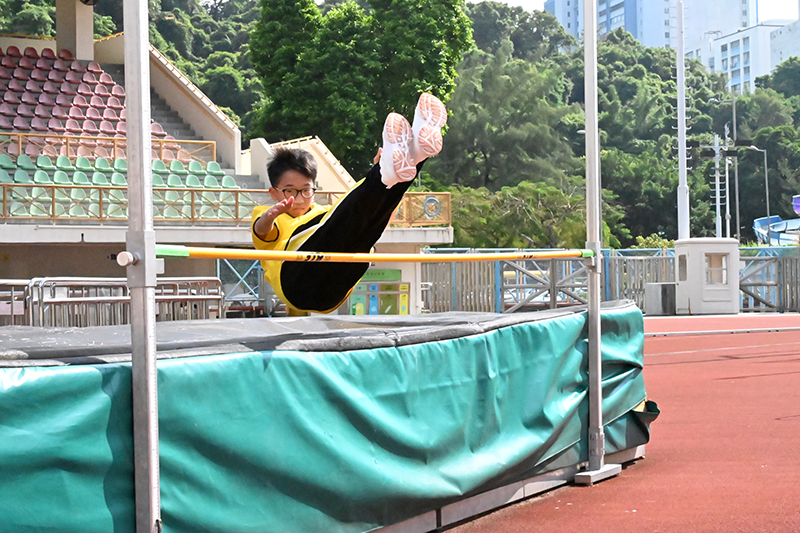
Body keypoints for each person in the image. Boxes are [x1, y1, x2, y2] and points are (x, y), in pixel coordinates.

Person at [251, 92, 447, 314]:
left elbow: (378, 219)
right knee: (339, 219)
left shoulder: (324, 214)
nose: (298, 198)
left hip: (334, 290)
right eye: (289, 191)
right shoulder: (269, 214)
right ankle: (384, 173)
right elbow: (262, 230)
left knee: (364, 226)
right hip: (296, 282)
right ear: (273, 192)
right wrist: (271, 215)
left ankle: (415, 155)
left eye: (306, 190)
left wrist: (385, 194)